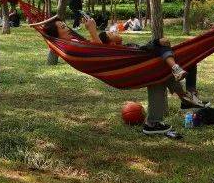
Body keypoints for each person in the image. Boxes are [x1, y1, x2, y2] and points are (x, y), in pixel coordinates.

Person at [41, 17, 203, 137]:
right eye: (63, 27)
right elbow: (101, 54)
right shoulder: (72, 47)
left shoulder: (73, 41)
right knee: (166, 62)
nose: (67, 27)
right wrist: (92, 30)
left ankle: (157, 120)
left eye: (65, 24)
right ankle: (182, 99)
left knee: (159, 72)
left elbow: (99, 50)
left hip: (126, 65)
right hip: (119, 69)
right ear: (57, 33)